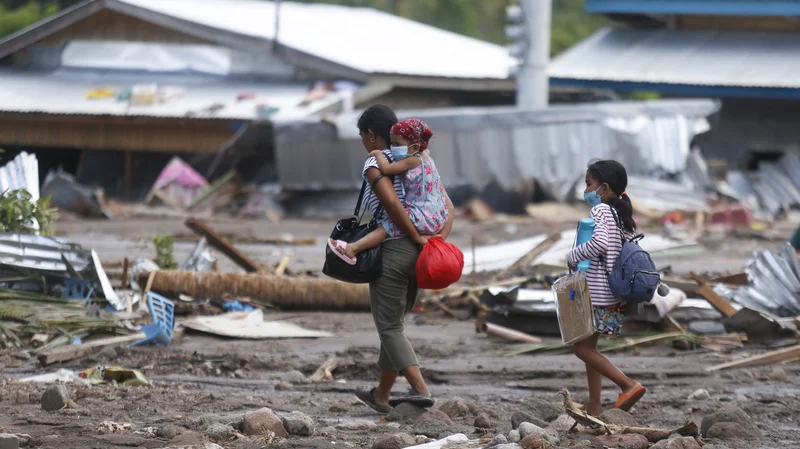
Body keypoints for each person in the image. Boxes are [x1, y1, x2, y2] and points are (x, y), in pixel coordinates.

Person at [351, 105, 455, 413]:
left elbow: (393, 205)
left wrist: (411, 236)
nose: (362, 141)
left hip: (396, 248)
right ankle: (382, 394)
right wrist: (433, 242)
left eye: (361, 135)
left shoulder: (375, 162)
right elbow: (448, 207)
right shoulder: (422, 160)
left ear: (372, 135)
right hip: (420, 252)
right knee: (394, 324)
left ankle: (420, 389)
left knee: (389, 327)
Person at [566, 159, 646, 417]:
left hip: (596, 292)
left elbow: (599, 244)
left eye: (589, 184)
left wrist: (573, 255)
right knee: (591, 349)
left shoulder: (601, 211)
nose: (586, 190)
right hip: (611, 294)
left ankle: (628, 385)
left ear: (605, 188)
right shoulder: (621, 215)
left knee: (582, 348)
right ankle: (594, 404)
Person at [328, 118, 450, 264]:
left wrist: (378, 154)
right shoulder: (428, 160)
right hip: (436, 217)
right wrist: (441, 236)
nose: (393, 148)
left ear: (415, 147)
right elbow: (450, 207)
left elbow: (386, 170)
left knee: (387, 225)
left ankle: (353, 248)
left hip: (421, 215)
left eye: (397, 144)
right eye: (392, 143)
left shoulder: (413, 160)